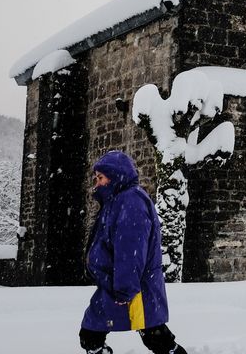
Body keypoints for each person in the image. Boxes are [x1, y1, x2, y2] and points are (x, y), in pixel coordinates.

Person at [80, 150, 187, 354]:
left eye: (101, 178)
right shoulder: (117, 200)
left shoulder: (130, 202)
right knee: (91, 334)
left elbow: (131, 250)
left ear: (115, 176)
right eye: (96, 178)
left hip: (132, 287)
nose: (97, 183)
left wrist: (125, 288)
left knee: (154, 336)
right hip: (114, 283)